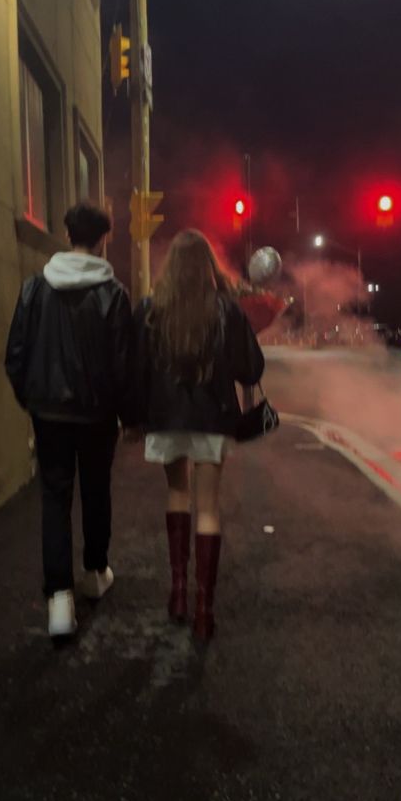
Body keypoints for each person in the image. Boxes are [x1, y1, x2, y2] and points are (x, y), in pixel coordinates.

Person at [5, 202, 133, 639]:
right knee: (96, 491)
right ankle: (95, 573)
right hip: (96, 414)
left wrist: (31, 399)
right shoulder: (113, 293)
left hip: (49, 413)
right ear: (102, 239)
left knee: (55, 498)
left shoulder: (35, 289)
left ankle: (59, 601)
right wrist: (127, 415)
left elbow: (15, 356)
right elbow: (123, 366)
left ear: (67, 234)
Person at [133, 230, 265, 641]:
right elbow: (252, 370)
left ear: (171, 266)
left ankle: (177, 593)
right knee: (208, 507)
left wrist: (133, 418)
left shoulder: (152, 308)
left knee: (177, 494)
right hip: (212, 416)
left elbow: (136, 369)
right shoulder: (227, 310)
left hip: (168, 416)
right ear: (208, 266)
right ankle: (205, 610)